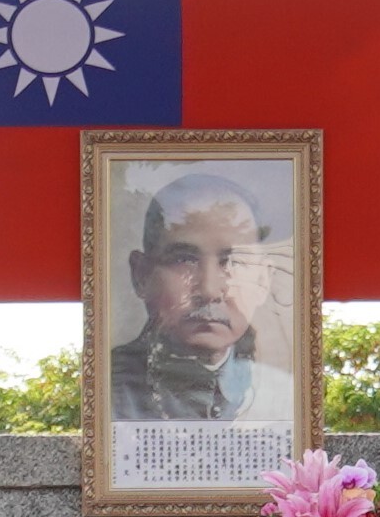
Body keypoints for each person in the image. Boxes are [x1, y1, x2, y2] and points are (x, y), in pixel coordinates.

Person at [103, 165, 294, 425]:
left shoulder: (283, 398)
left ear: (263, 279)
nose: (209, 291)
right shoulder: (107, 388)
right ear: (141, 275)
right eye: (184, 259)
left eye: (233, 262)